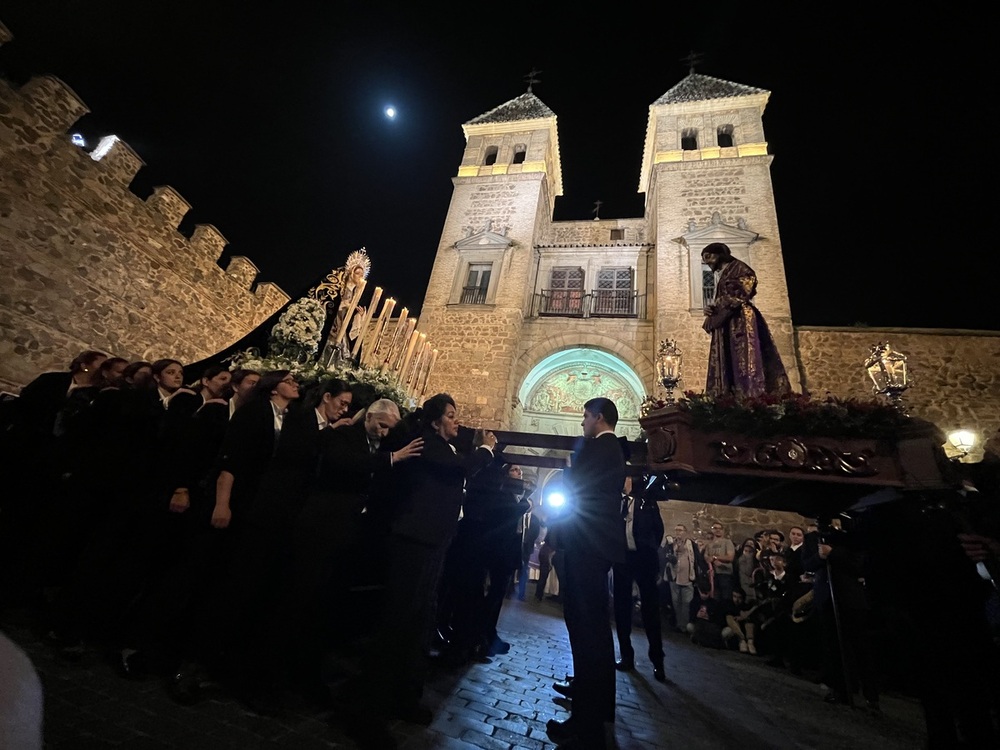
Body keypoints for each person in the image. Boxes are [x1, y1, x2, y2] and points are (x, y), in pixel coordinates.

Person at [342, 393, 494, 749]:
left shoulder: (444, 447)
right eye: (452, 415)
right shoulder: (425, 443)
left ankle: (403, 697)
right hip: (412, 543)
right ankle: (366, 714)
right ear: (436, 419)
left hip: (433, 546)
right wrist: (485, 450)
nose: (457, 421)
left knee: (418, 625)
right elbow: (460, 468)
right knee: (395, 625)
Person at [546, 397, 626, 750]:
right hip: (596, 548)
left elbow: (577, 491)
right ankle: (596, 714)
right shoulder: (612, 452)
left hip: (586, 547)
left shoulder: (597, 449)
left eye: (585, 416)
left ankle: (586, 725)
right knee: (594, 632)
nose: (582, 422)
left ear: (598, 417)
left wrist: (570, 469)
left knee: (586, 632)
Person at [701, 242, 790, 398]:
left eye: (708, 256)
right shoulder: (725, 273)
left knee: (745, 358)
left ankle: (750, 396)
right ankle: (729, 396)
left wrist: (718, 304)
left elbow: (744, 289)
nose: (707, 262)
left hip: (741, 319)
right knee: (729, 359)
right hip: (727, 320)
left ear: (719, 254)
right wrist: (712, 309)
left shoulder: (740, 268)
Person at [612, 474, 666, 681]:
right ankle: (626, 655)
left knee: (650, 609)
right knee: (621, 607)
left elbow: (658, 530)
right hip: (623, 559)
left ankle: (657, 660)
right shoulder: (617, 503)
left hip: (643, 559)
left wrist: (648, 550)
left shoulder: (647, 502)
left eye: (625, 478)